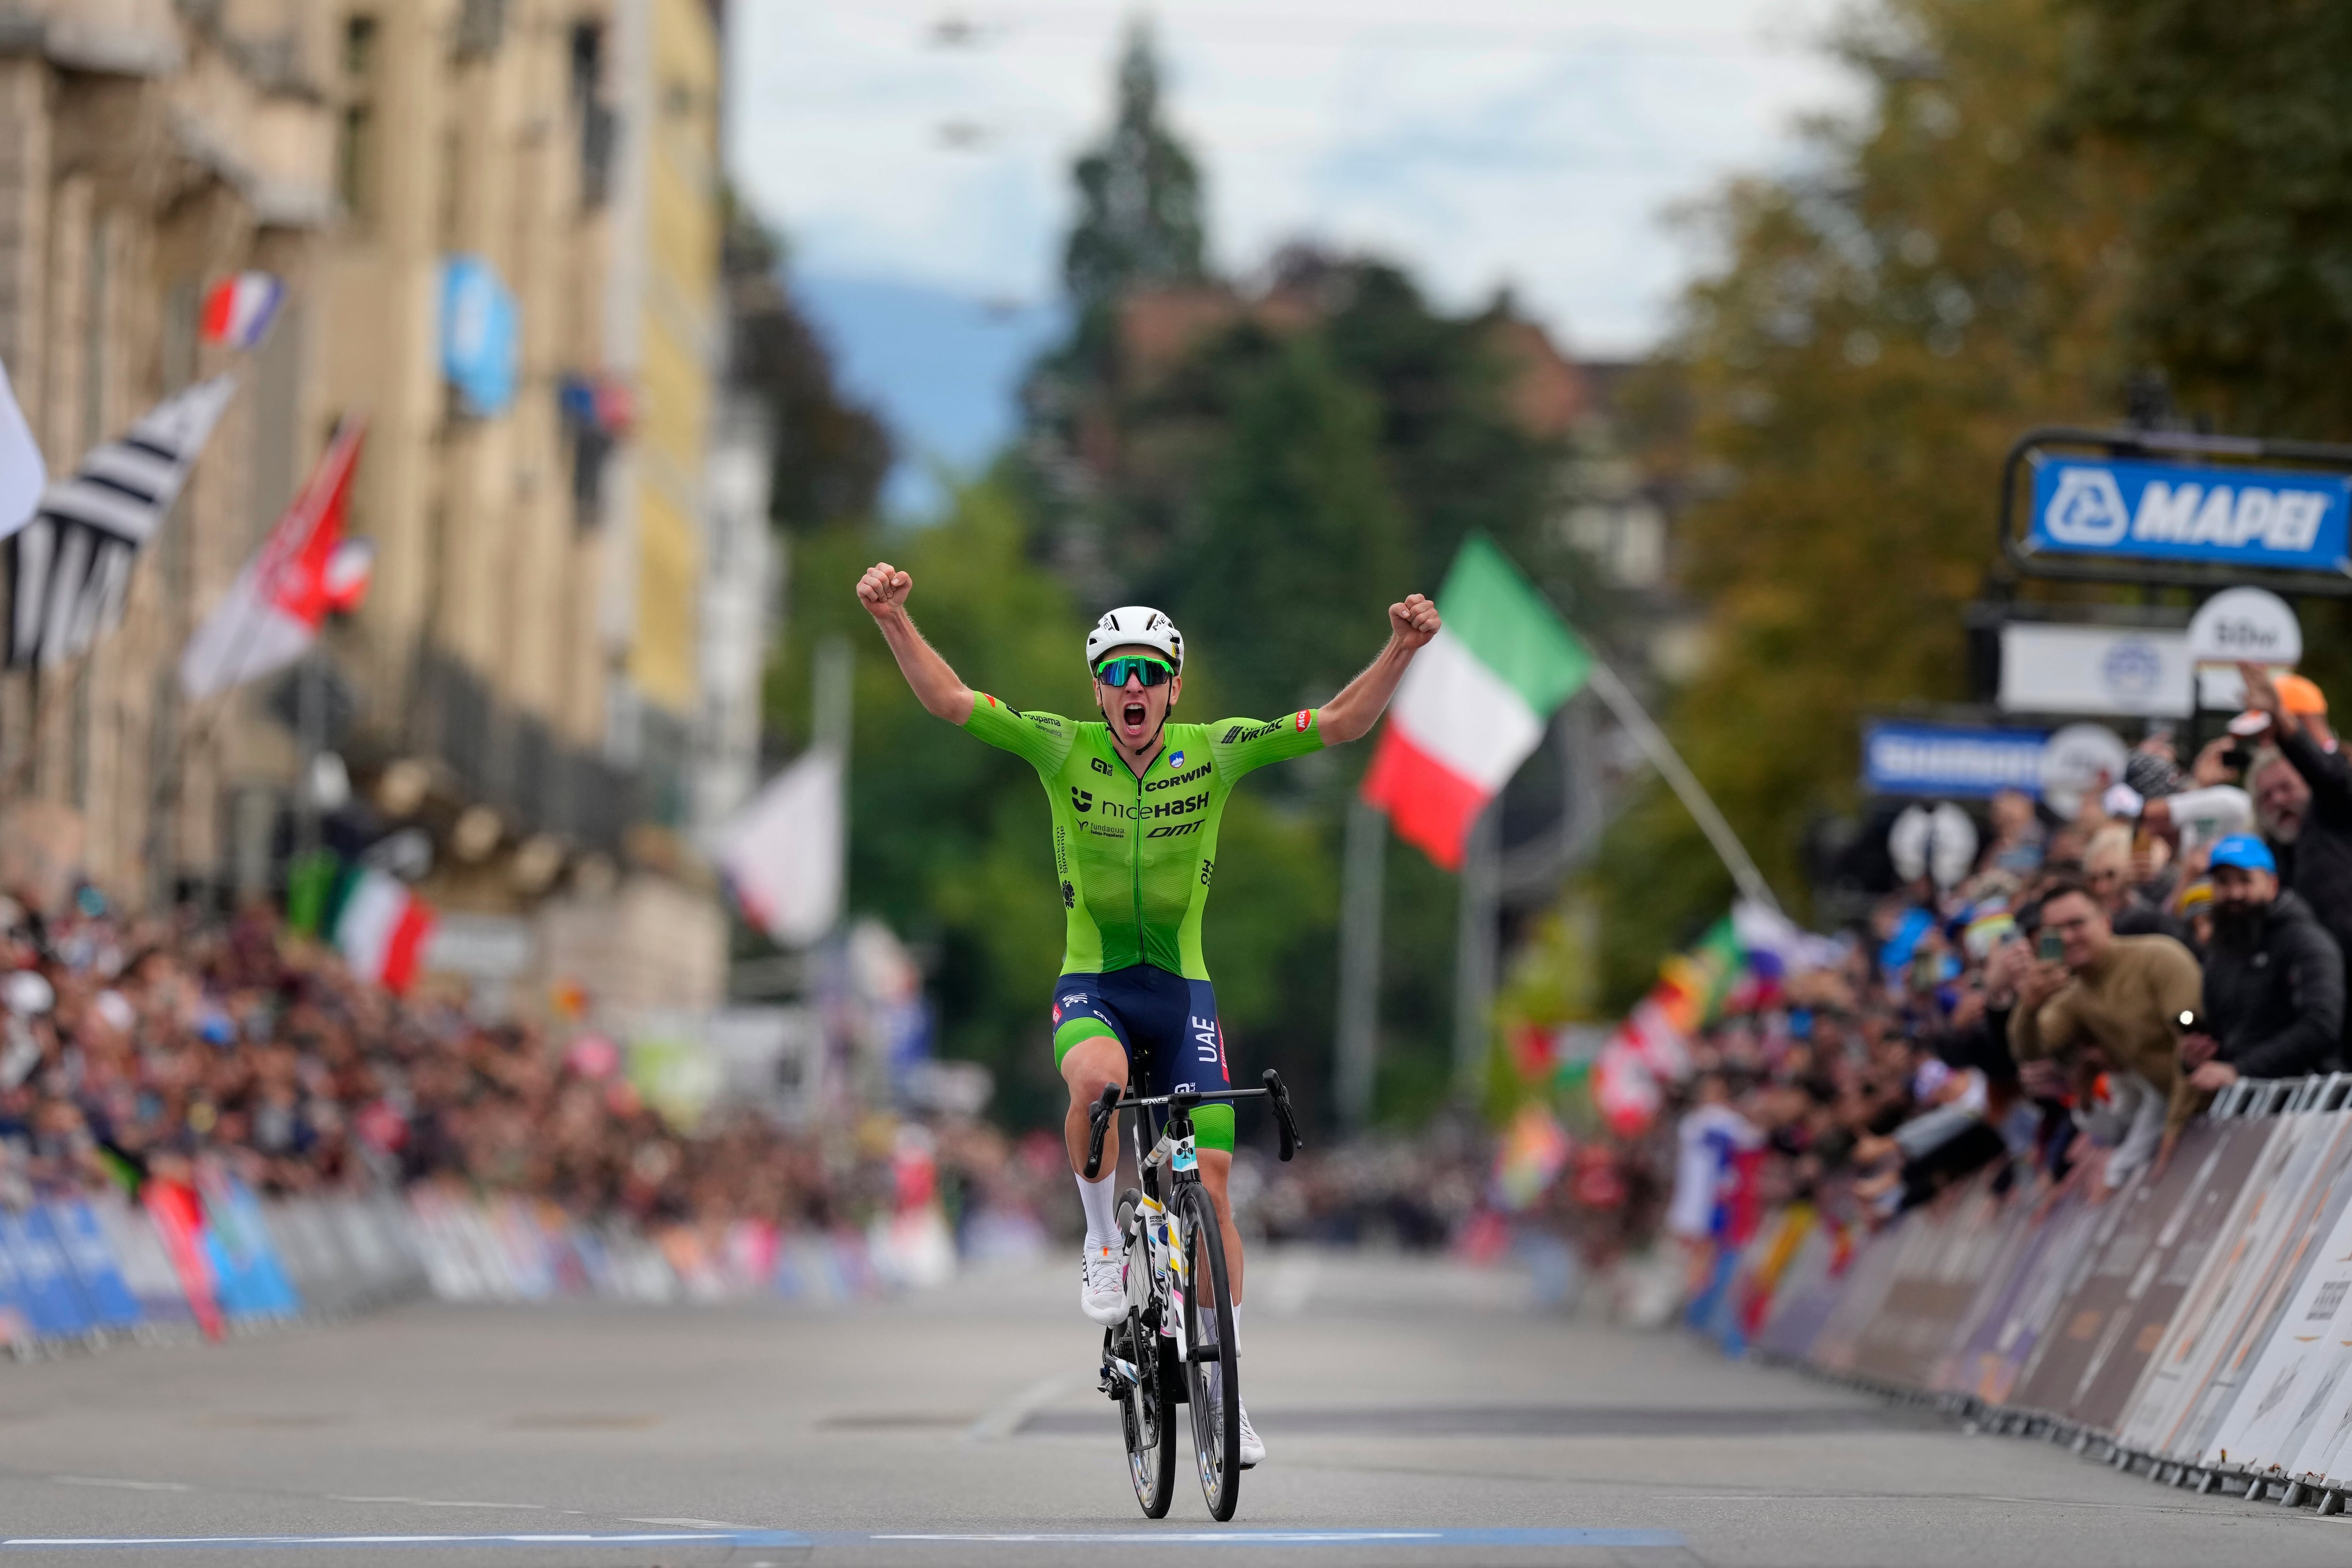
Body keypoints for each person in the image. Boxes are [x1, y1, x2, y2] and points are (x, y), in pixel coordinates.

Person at [855, 561, 1441, 1470]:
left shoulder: (1216, 747)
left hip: (1182, 990)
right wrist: (895, 619)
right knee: (1100, 1082)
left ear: (1175, 686)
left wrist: (1399, 649)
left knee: (1210, 1180)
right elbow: (950, 700)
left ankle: (1225, 1384)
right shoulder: (1060, 744)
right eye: (1117, 674)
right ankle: (1099, 1242)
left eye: (1150, 673)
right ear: (1098, 688)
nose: (1134, 688)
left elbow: (1338, 723)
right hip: (1093, 978)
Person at [2008, 879, 2201, 1195]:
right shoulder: (2074, 998)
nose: (2069, 937)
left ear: (2105, 921)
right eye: (2056, 931)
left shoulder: (2158, 958)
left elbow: (2192, 1038)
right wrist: (2028, 1007)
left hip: (2223, 1108)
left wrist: (2173, 1133)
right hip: (2174, 1119)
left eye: (2077, 923)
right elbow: (2030, 1049)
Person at [2179, 835, 2345, 1092]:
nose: (2235, 893)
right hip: (2246, 1105)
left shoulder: (2304, 941)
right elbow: (2226, 1032)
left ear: (2272, 885)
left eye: (2245, 881)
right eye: (2223, 882)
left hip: (2308, 1099)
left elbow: (2321, 1025)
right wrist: (2199, 1056)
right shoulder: (2220, 954)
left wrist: (2240, 1070)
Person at [2238, 665, 2352, 987]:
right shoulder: (2268, 849)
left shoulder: (2334, 809)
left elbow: (2329, 776)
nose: (2278, 801)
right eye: (2267, 796)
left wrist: (2284, 726)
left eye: (2287, 788)